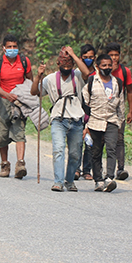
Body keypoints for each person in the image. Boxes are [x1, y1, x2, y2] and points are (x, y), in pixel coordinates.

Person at [31, 47, 89, 192]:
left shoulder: (77, 76)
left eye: (69, 65)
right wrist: (38, 76)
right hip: (58, 119)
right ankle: (58, 181)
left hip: (76, 119)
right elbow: (34, 92)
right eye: (64, 64)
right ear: (58, 63)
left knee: (75, 153)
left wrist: (74, 55)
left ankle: (69, 181)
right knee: (58, 149)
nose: (66, 67)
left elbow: (87, 72)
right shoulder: (50, 79)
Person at [0, 34, 34, 179]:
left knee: (19, 130)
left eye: (15, 47)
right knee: (2, 132)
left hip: (19, 102)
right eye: (9, 47)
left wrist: (26, 95)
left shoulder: (24, 61)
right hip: (2, 101)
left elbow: (30, 80)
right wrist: (7, 94)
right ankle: (4, 164)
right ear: (4, 48)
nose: (12, 49)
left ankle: (20, 164)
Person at [83, 54, 125, 192]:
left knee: (111, 148)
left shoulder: (117, 83)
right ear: (97, 67)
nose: (107, 68)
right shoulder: (91, 82)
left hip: (112, 120)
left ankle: (109, 178)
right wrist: (86, 125)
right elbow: (85, 103)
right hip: (95, 121)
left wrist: (120, 121)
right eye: (104, 65)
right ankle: (98, 179)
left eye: (109, 65)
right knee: (96, 151)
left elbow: (121, 103)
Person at [105, 42, 132, 181]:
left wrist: (130, 111)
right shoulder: (102, 69)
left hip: (119, 109)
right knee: (102, 139)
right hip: (103, 109)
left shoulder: (124, 71)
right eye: (111, 55)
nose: (114, 58)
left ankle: (120, 168)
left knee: (119, 138)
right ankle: (102, 168)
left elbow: (129, 91)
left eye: (116, 55)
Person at [76, 43, 96, 181]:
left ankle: (87, 169)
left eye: (91, 57)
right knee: (77, 141)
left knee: (90, 142)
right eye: (85, 57)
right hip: (77, 110)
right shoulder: (77, 72)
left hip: (92, 111)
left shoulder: (98, 72)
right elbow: (85, 74)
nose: (88, 59)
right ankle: (76, 168)